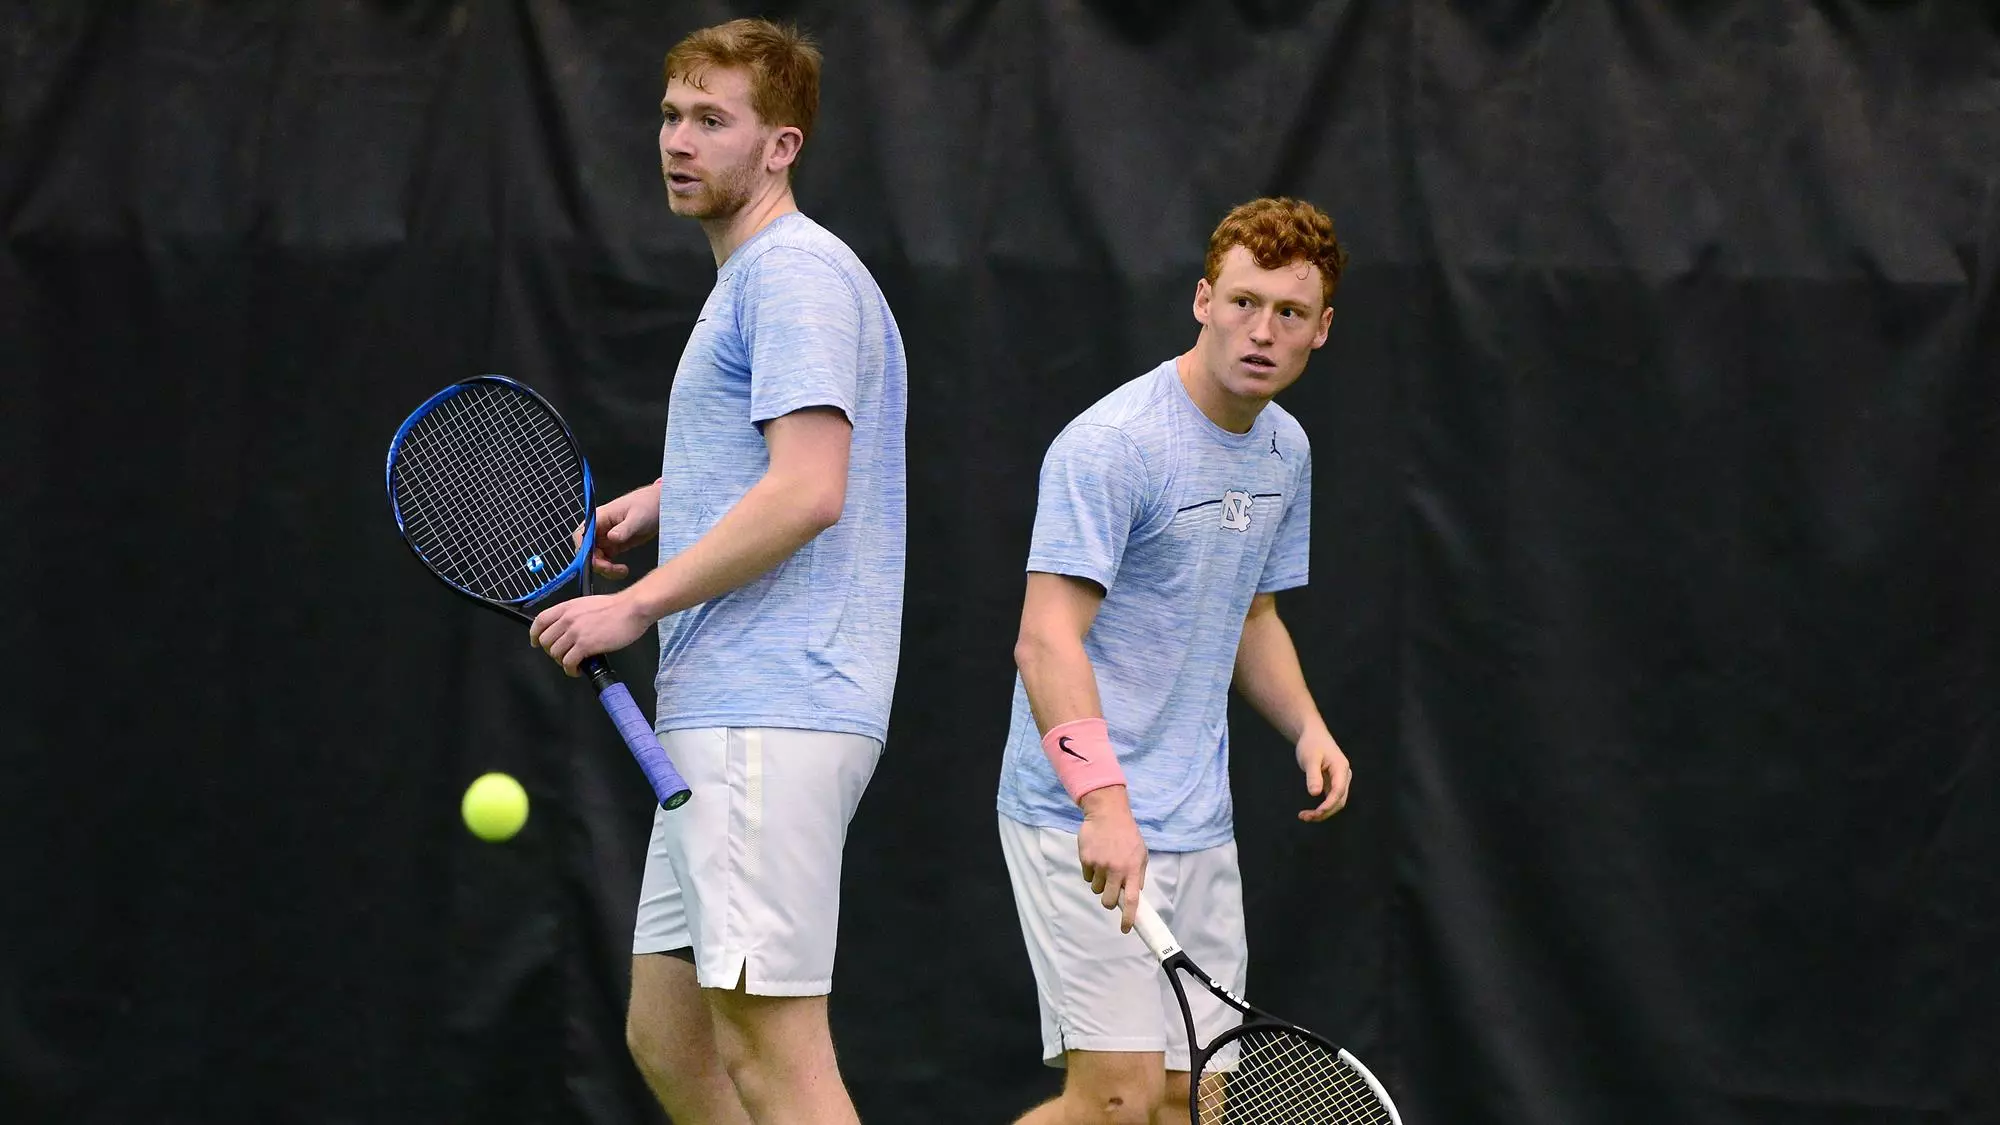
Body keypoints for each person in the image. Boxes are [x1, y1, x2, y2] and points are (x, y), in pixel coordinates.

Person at [528, 18, 905, 1125]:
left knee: (774, 1060)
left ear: (780, 145)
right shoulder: (762, 278)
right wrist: (670, 500)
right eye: (669, 115)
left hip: (766, 715)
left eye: (711, 120)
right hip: (731, 721)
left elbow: (809, 487)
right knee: (671, 1037)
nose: (677, 142)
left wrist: (632, 605)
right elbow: (780, 462)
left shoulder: (788, 275)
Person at [996, 197, 1353, 1125]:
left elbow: (1252, 613)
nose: (1260, 330)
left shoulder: (1286, 449)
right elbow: (1045, 639)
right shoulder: (1114, 446)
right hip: (1079, 815)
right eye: (1242, 302)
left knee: (1190, 1101)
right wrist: (1104, 805)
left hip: (1200, 821)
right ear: (1202, 300)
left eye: (1287, 312)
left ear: (1322, 329)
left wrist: (1307, 723)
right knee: (1114, 1102)